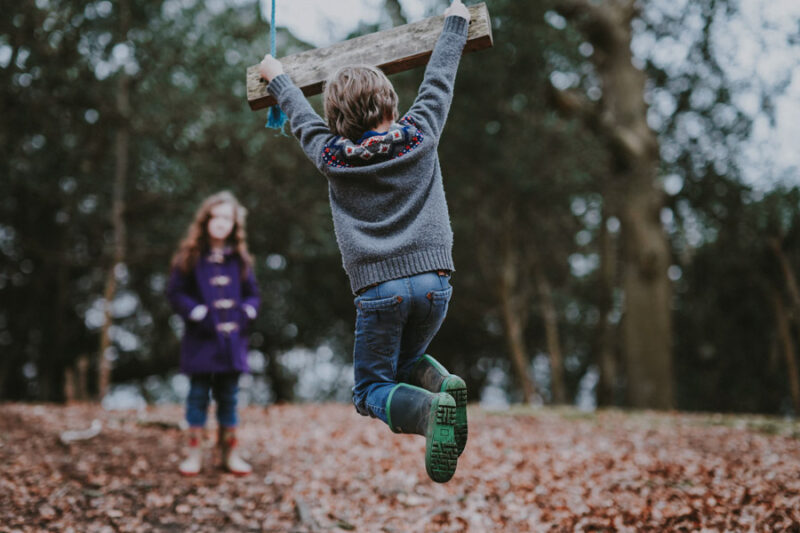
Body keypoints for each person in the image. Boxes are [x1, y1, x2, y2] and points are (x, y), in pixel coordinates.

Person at [258, 1, 471, 483]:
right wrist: (456, 21)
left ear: (337, 119)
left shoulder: (333, 156)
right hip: (435, 283)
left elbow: (301, 117)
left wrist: (278, 78)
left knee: (370, 390)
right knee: (406, 363)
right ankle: (444, 386)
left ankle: (429, 411)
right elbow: (440, 78)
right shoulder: (421, 132)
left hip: (380, 290)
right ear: (392, 102)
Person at [166, 191, 260, 476]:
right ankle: (194, 454)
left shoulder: (240, 259)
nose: (221, 223)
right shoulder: (190, 257)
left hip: (232, 343)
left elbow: (253, 294)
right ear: (205, 220)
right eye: (215, 217)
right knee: (197, 396)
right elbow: (175, 292)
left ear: (234, 224)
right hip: (201, 341)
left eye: (227, 218)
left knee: (229, 397)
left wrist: (247, 312)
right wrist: (196, 312)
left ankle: (229, 454)